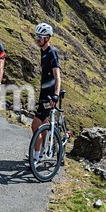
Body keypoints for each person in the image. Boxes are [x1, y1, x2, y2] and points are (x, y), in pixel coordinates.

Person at [30, 23, 61, 162]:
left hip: (50, 96)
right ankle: (41, 153)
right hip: (44, 93)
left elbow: (57, 76)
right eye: (36, 36)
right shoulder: (43, 51)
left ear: (47, 37)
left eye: (40, 36)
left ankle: (36, 158)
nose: (37, 38)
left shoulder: (51, 53)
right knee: (42, 126)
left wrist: (56, 94)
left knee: (36, 125)